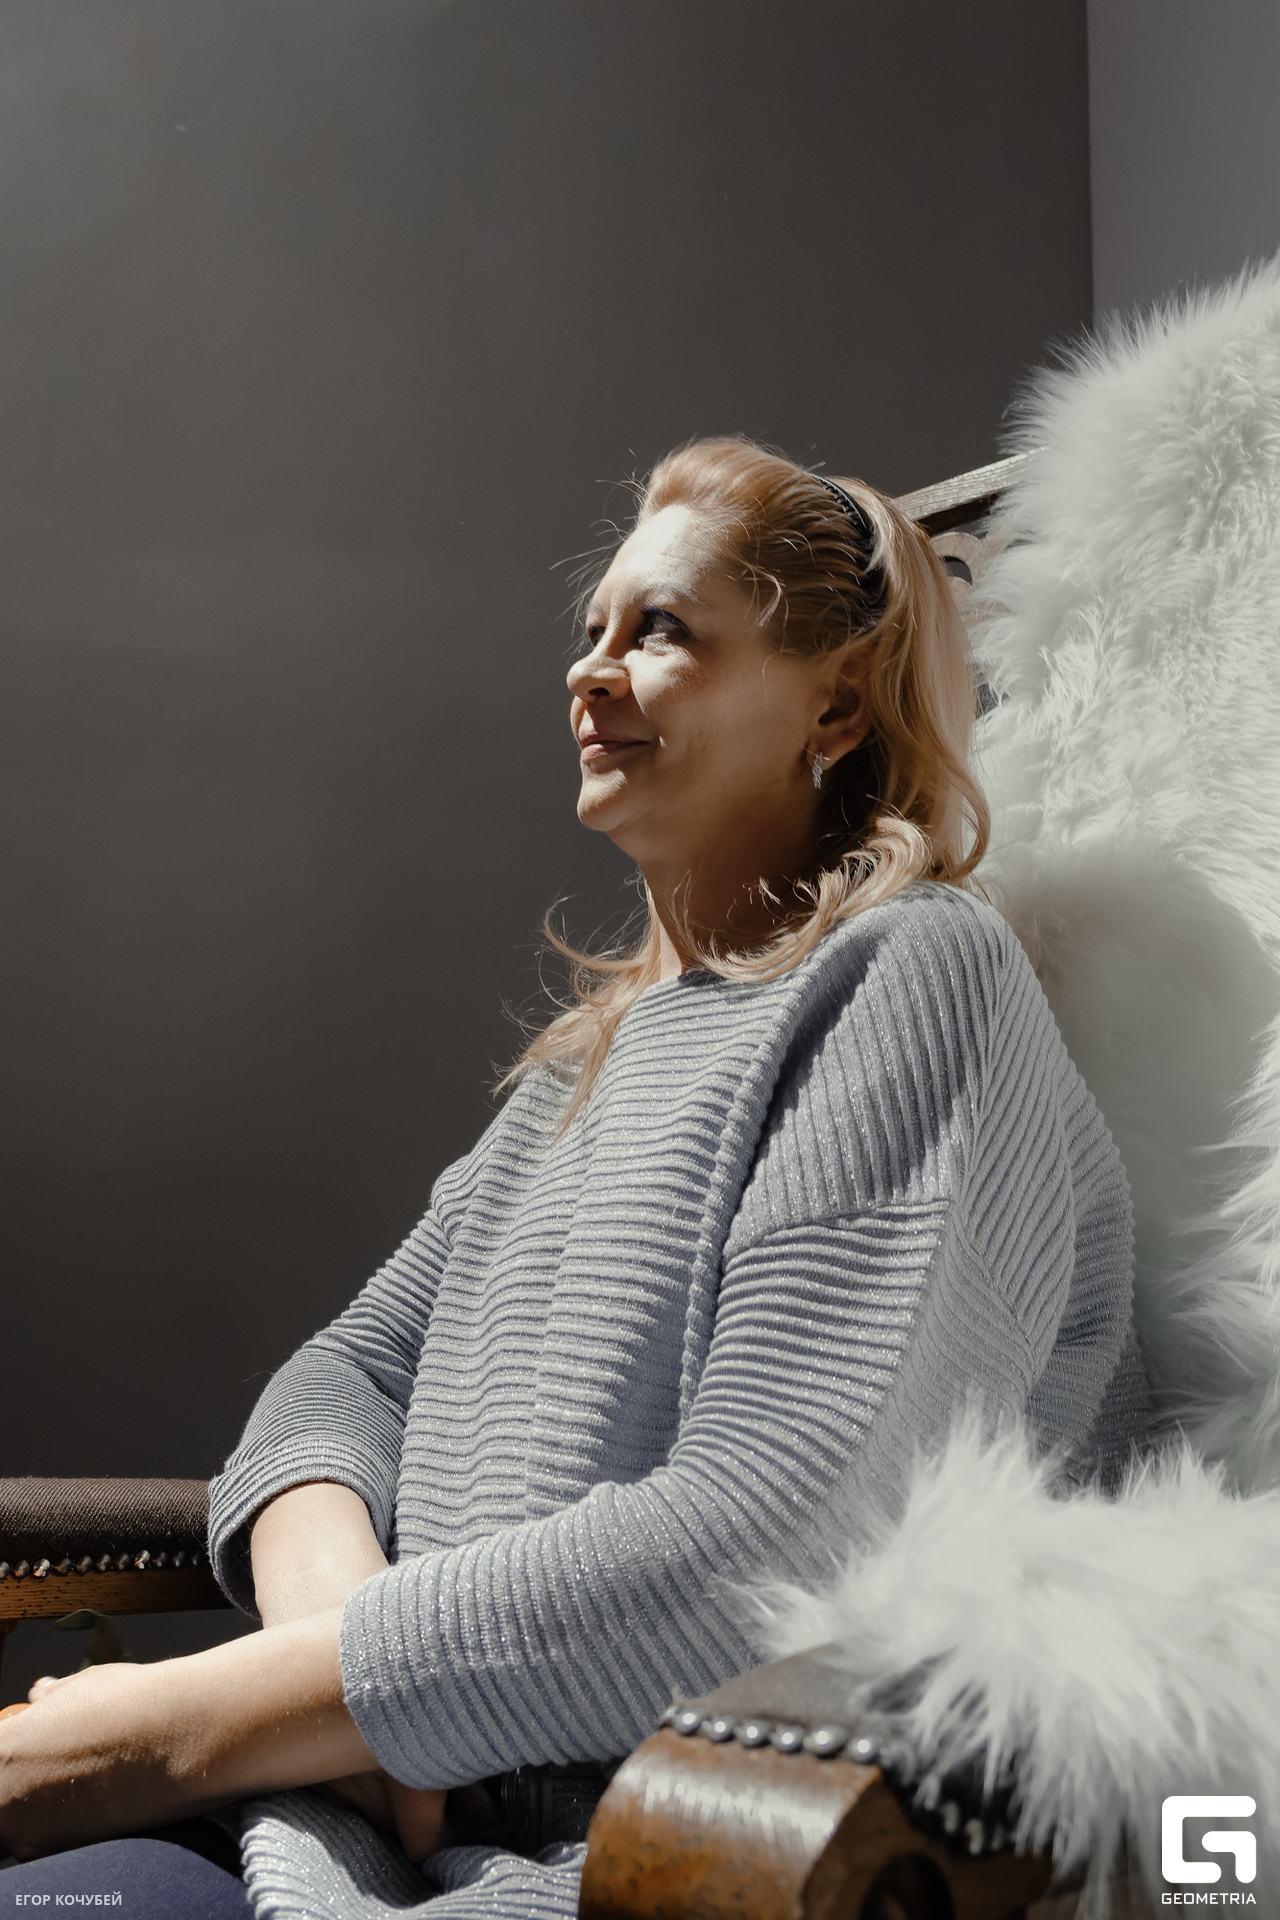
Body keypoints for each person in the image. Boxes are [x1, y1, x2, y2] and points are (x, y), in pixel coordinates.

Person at [0, 437, 1150, 1918]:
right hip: (352, 1832)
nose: (589, 672)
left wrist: (158, 1734)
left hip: (654, 1863)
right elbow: (338, 1381)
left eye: (659, 628)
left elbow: (762, 1546)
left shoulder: (914, 977)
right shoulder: (583, 1066)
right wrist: (346, 1675)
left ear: (837, 700)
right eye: (592, 627)